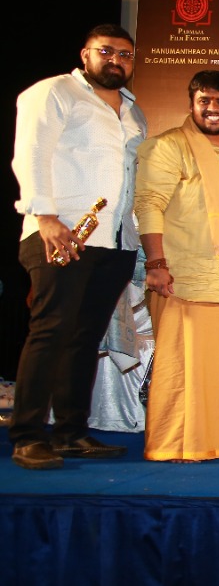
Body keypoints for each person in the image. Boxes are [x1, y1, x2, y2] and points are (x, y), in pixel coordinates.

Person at [8, 25, 147, 470]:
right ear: (85, 54)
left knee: (85, 338)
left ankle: (71, 433)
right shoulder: (54, 92)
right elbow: (30, 152)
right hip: (63, 233)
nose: (116, 60)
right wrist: (45, 216)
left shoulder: (133, 111)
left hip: (114, 242)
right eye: (106, 51)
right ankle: (28, 435)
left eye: (125, 54)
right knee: (50, 332)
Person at [134, 70, 219, 462]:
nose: (213, 108)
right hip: (183, 278)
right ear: (191, 104)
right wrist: (156, 263)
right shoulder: (168, 146)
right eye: (204, 100)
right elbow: (149, 204)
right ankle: (176, 444)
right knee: (182, 368)